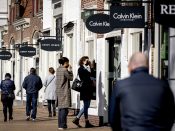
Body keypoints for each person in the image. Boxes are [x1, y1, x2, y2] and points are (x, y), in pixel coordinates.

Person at [109, 52, 175, 131]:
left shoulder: (120, 85)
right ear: (148, 66)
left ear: (131, 66)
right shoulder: (162, 85)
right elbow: (170, 115)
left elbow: (113, 118)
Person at [72, 56, 94, 128]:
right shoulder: (81, 69)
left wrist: (90, 68)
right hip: (84, 88)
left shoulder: (88, 68)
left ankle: (84, 121)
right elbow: (86, 77)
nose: (87, 61)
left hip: (89, 88)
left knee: (86, 106)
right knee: (86, 106)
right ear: (82, 61)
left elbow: (91, 75)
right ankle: (78, 119)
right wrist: (89, 70)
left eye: (87, 60)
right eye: (85, 60)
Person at [56, 57, 73, 130]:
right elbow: (71, 78)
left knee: (60, 109)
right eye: (68, 62)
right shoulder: (64, 70)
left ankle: (60, 125)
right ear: (65, 62)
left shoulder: (58, 69)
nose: (68, 64)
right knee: (64, 109)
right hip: (64, 91)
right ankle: (63, 125)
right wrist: (71, 70)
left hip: (59, 91)